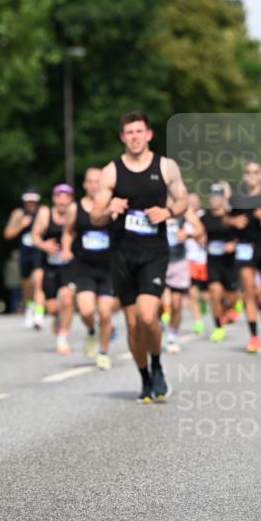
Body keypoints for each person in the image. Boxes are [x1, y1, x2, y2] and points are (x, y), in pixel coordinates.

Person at [92, 111, 187, 402]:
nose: (134, 137)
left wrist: (168, 211)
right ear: (122, 137)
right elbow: (95, 216)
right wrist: (110, 209)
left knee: (148, 317)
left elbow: (183, 198)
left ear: (149, 134)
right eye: (129, 132)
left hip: (154, 253)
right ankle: (145, 379)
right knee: (133, 324)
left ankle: (157, 365)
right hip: (122, 255)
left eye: (139, 131)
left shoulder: (166, 166)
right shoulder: (111, 171)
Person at [61, 166, 115, 370]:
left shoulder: (111, 206)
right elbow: (67, 232)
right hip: (84, 266)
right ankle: (92, 331)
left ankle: (103, 352)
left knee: (106, 313)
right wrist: (66, 249)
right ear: (84, 185)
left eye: (97, 181)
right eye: (90, 181)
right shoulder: (76, 208)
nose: (94, 185)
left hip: (108, 268)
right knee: (86, 311)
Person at [226, 161, 261, 353]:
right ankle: (254, 337)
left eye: (256, 172)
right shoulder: (237, 196)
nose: (252, 175)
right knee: (248, 289)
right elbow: (224, 217)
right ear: (243, 175)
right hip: (245, 247)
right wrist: (234, 220)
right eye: (248, 172)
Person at [31, 183, 76, 354]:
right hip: (49, 264)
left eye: (66, 197)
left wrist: (71, 249)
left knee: (66, 298)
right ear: (54, 198)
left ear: (71, 199)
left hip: (69, 266)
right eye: (59, 196)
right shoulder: (45, 213)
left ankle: (62, 339)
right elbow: (34, 236)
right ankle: (58, 317)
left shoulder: (75, 212)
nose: (62, 200)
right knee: (52, 307)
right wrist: (44, 245)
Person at [162, 206, 204, 353]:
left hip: (178, 261)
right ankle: (157, 322)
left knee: (177, 303)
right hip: (157, 260)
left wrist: (187, 233)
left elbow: (199, 228)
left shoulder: (181, 207)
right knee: (156, 302)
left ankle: (172, 336)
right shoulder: (151, 200)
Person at [201, 183, 238, 344]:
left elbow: (243, 234)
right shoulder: (204, 217)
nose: (215, 199)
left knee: (231, 298)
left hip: (229, 263)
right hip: (213, 262)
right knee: (215, 293)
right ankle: (218, 327)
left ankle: (230, 308)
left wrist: (234, 244)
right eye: (212, 196)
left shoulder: (231, 216)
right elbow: (197, 231)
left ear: (224, 198)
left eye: (218, 196)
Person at [3, 188, 44, 328]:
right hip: (24, 254)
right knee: (27, 286)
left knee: (38, 282)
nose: (31, 203)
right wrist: (21, 225)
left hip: (39, 253)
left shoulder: (42, 213)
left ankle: (39, 315)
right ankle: (30, 308)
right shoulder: (18, 214)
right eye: (28, 200)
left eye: (33, 200)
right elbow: (7, 234)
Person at [183, 193, 208, 335]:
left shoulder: (204, 216)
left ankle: (206, 304)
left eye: (194, 201)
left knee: (206, 293)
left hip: (204, 259)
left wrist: (192, 235)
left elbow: (203, 238)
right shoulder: (184, 219)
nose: (191, 203)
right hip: (189, 259)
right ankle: (198, 321)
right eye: (189, 201)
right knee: (192, 292)